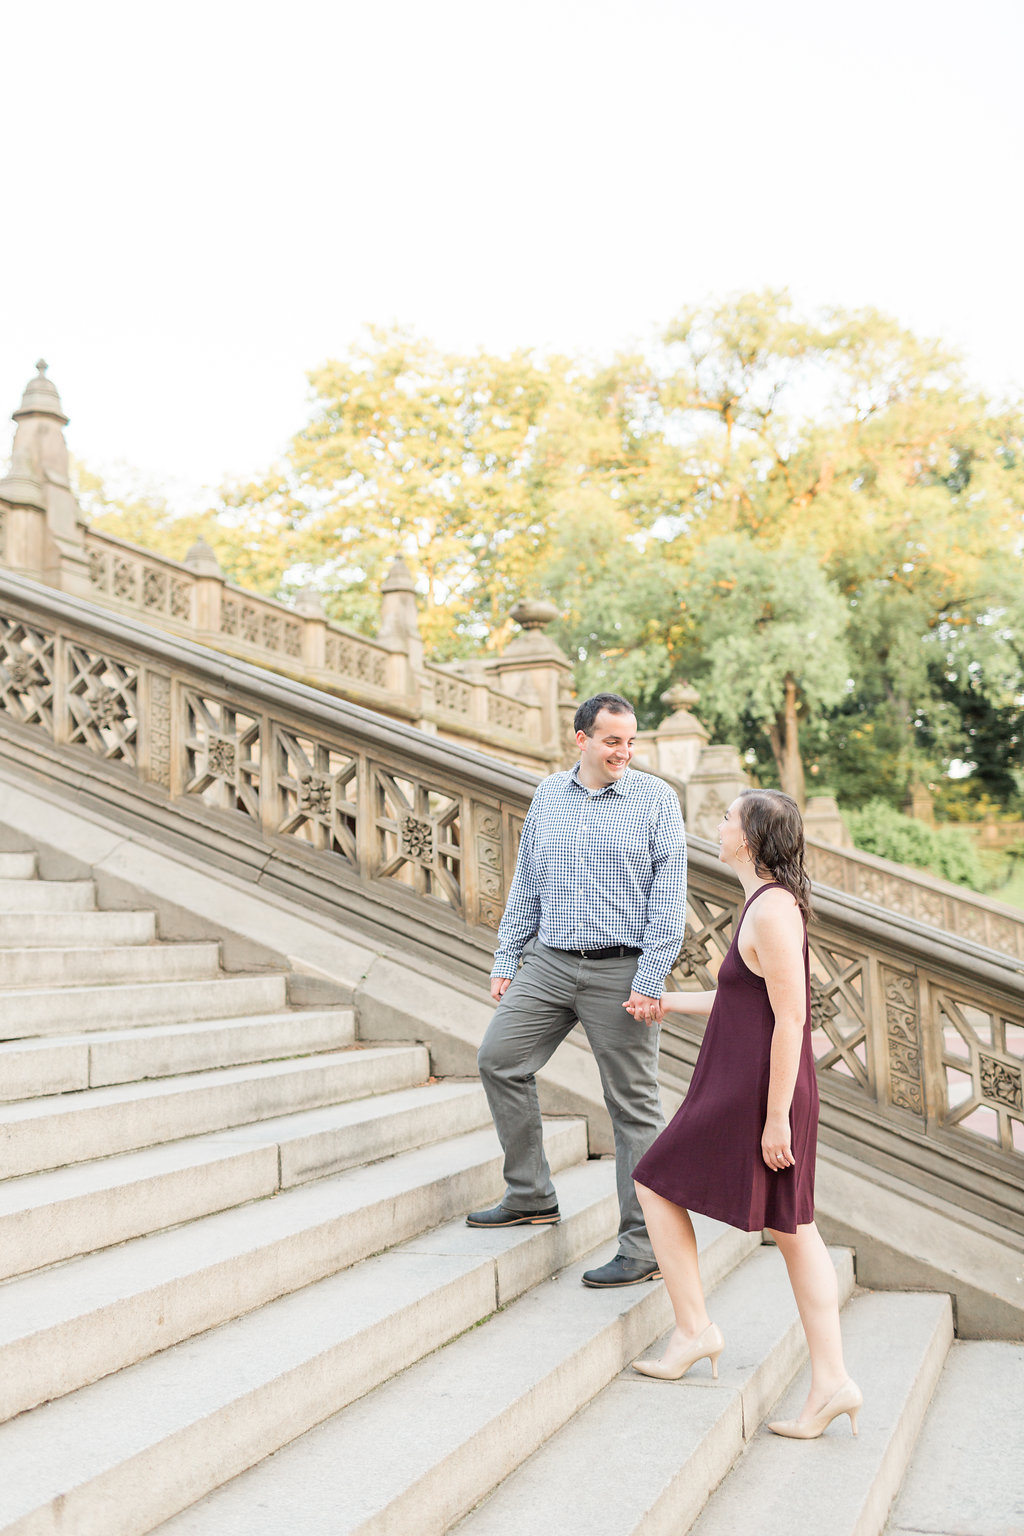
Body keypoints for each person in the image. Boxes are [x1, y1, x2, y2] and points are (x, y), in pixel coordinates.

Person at [630, 788, 862, 1438]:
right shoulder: (763, 905)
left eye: (728, 817)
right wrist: (667, 1004)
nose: (719, 823)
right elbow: (744, 998)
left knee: (656, 1180)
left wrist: (777, 1118)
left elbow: (792, 1017)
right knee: (793, 1230)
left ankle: (695, 1330)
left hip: (757, 1093)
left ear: (752, 837)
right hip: (748, 1085)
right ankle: (830, 1380)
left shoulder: (773, 912)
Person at [466, 693, 687, 1288]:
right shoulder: (549, 796)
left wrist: (649, 978)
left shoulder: (656, 801)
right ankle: (529, 1191)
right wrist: (507, 957)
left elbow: (670, 900)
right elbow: (527, 884)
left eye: (631, 741)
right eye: (613, 740)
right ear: (581, 739)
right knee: (499, 1060)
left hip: (622, 972)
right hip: (549, 961)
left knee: (633, 1106)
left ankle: (643, 1246)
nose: (624, 751)